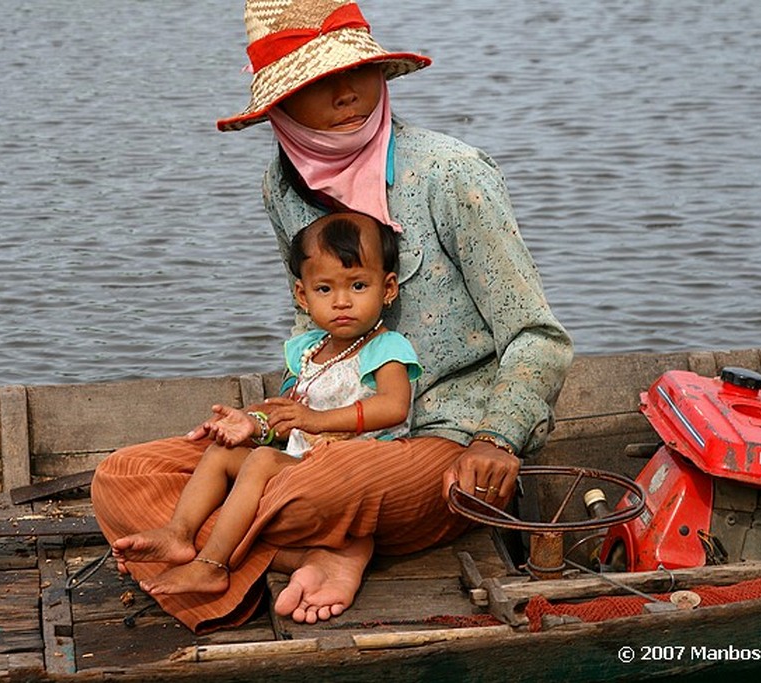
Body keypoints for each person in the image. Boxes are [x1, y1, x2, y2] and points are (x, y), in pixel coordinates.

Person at [92, 0, 573, 633]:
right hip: (324, 441)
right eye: (316, 82)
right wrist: (268, 419)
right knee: (121, 477)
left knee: (299, 493)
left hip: (446, 443)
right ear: (280, 106)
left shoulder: (452, 174)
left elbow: (536, 335)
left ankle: (295, 544)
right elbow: (312, 330)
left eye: (357, 70)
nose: (346, 92)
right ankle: (328, 547)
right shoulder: (282, 188)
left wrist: (497, 437)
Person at [115, 212, 422, 597]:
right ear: (302, 295)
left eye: (358, 286)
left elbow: (394, 407)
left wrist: (317, 420)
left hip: (355, 466)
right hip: (303, 463)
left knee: (260, 462)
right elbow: (287, 412)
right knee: (223, 454)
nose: (342, 302)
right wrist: (253, 422)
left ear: (388, 287)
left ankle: (212, 564)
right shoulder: (309, 351)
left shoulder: (386, 347)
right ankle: (179, 532)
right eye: (325, 290)